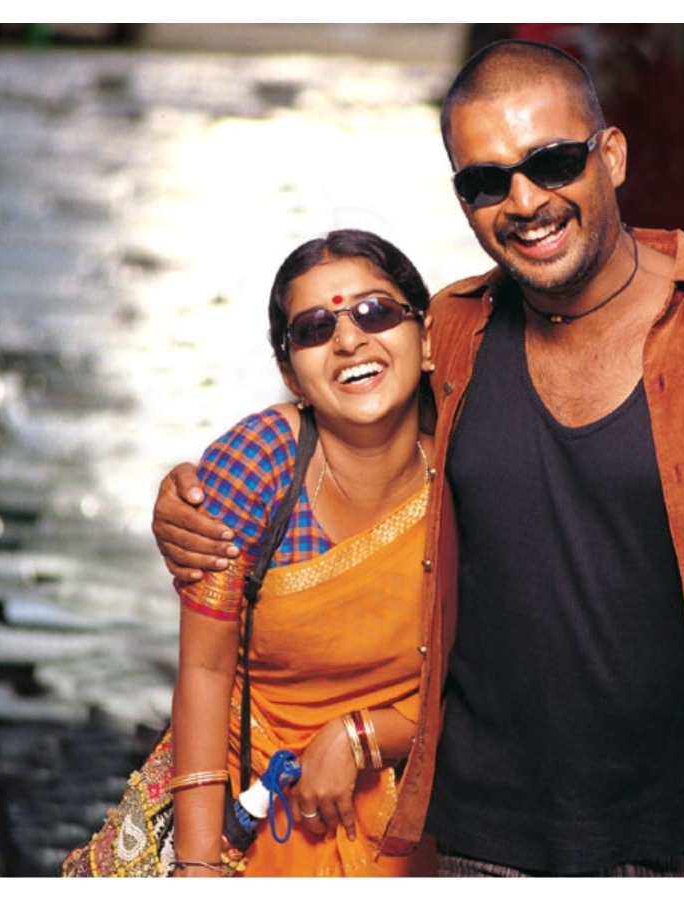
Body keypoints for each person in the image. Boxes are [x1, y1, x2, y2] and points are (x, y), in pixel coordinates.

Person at [150, 40, 684, 877]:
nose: (525, 202)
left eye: (552, 163)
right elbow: (347, 408)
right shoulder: (453, 335)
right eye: (487, 181)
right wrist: (194, 499)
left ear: (610, 156)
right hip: (485, 846)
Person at [157, 229, 439, 877]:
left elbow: (491, 687)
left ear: (425, 340)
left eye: (375, 312)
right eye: (315, 328)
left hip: (407, 818)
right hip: (248, 808)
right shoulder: (258, 463)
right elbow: (204, 671)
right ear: (292, 376)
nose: (349, 340)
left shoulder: (467, 466)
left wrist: (360, 736)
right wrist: (198, 865)